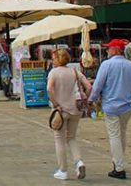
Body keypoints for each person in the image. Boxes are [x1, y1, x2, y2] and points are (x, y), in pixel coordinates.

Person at [88, 38, 131, 180]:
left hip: (111, 106)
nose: (107, 51)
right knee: (122, 135)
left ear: (115, 50)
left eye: (109, 48)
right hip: (127, 107)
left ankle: (119, 167)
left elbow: (98, 85)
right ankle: (118, 161)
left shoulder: (107, 65)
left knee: (114, 136)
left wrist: (90, 100)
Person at [47, 49, 91, 181]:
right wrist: (85, 99)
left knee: (59, 139)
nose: (52, 60)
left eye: (54, 58)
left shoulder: (54, 72)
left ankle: (63, 170)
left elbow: (49, 89)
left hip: (60, 111)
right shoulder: (74, 71)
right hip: (75, 110)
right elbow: (89, 86)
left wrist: (55, 104)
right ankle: (79, 162)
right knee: (71, 137)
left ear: (57, 59)